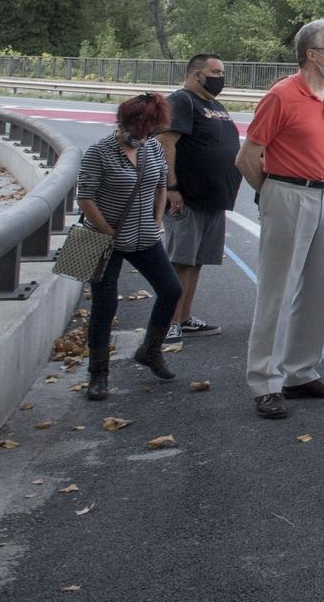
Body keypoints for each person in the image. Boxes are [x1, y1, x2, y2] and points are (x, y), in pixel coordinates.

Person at [236, 18, 324, 420]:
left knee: (319, 287)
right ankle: (265, 382)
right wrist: (271, 193)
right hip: (289, 192)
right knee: (278, 290)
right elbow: (247, 157)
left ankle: (301, 372)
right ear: (311, 54)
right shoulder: (281, 96)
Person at [79, 93, 183, 401]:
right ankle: (98, 374)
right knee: (104, 305)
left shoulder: (152, 147)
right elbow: (85, 197)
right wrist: (107, 230)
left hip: (144, 236)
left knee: (171, 290)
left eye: (151, 128)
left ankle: (150, 350)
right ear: (124, 122)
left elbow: (160, 184)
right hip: (105, 238)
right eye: (140, 126)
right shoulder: (99, 151)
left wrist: (156, 219)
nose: (144, 133)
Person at [156, 53, 238, 339]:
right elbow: (165, 143)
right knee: (181, 260)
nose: (220, 78)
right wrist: (172, 188)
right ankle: (167, 323)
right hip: (187, 197)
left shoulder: (214, 105)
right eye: (215, 72)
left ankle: (184, 317)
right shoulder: (182, 101)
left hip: (212, 198)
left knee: (196, 260)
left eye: (222, 72)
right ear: (196, 74)